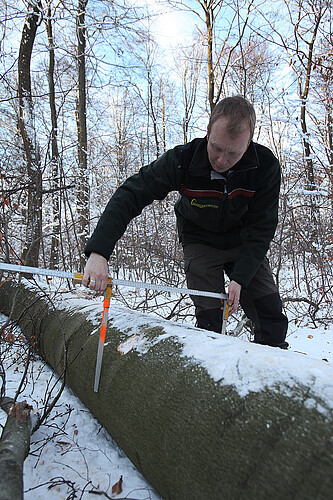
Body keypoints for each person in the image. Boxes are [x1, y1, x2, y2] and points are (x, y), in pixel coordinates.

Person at [82, 96, 289, 349]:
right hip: (199, 239)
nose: (222, 160)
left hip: (244, 243)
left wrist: (241, 277)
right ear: (208, 131)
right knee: (211, 322)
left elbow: (262, 227)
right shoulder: (183, 160)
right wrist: (99, 252)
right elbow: (131, 193)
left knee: (271, 318)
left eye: (233, 153)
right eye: (216, 147)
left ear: (248, 145)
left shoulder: (265, 167)